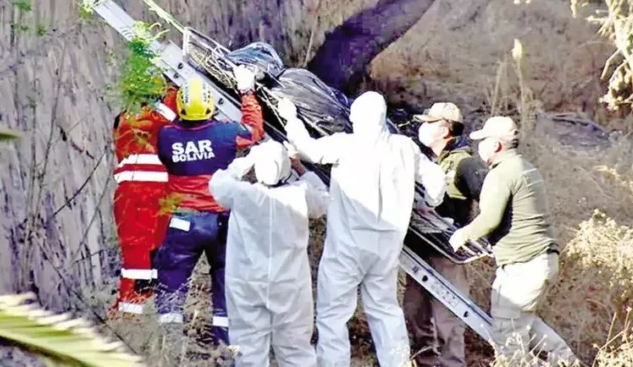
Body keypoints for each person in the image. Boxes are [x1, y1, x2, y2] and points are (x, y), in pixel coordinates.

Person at [278, 92, 447, 367]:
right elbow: (437, 178)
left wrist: (291, 118)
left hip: (347, 246)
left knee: (333, 314)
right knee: (385, 311)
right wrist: (429, 201)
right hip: (387, 247)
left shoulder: (346, 145)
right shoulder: (404, 147)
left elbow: (308, 149)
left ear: (356, 117)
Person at [448, 116, 578, 366]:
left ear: (496, 145)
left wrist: (461, 236)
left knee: (507, 339)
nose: (479, 146)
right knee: (523, 323)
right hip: (538, 260)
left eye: (483, 141)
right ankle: (566, 362)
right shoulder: (524, 167)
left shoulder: (503, 174)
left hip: (524, 265)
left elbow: (489, 220)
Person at [154, 66, 264, 345]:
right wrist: (247, 92)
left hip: (183, 223)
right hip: (222, 222)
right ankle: (225, 349)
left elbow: (167, 127)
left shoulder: (166, 137)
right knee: (226, 282)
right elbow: (253, 131)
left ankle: (168, 348)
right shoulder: (226, 134)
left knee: (171, 284)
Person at [209, 140, 329, 367]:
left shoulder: (242, 194)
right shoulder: (300, 194)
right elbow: (324, 200)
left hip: (247, 285)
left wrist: (246, 161)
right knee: (297, 351)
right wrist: (300, 168)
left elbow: (217, 182)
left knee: (247, 351)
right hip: (290, 286)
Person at [403, 103, 488, 367]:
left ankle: (452, 364)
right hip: (419, 249)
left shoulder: (464, 163)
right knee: (415, 313)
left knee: (447, 318)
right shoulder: (419, 157)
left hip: (448, 255)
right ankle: (426, 363)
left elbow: (490, 198)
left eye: (429, 123)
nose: (422, 128)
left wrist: (474, 234)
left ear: (444, 128)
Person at [110, 86, 179, 315]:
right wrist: (175, 91)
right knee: (140, 254)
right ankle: (130, 309)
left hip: (145, 196)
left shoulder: (132, 118)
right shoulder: (137, 119)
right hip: (143, 195)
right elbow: (166, 114)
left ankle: (136, 304)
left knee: (149, 253)